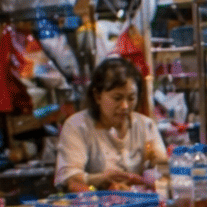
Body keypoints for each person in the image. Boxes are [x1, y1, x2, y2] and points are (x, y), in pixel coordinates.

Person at [54, 57, 166, 191]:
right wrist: (100, 180)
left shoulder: (145, 125)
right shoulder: (77, 126)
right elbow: (70, 179)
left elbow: (160, 164)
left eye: (131, 98)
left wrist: (167, 163)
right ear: (97, 96)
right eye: (117, 98)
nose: (125, 106)